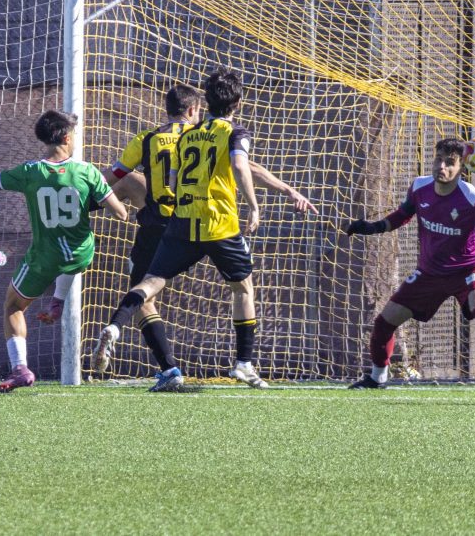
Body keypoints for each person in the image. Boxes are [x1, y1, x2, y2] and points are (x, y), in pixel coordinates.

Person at [94, 69, 312, 391]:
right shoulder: (231, 132)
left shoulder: (170, 138)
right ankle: (244, 364)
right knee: (243, 288)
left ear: (205, 102)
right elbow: (242, 166)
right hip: (219, 223)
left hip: (177, 223)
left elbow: (149, 178)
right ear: (236, 101)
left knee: (149, 285)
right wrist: (258, 204)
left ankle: (117, 327)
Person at [0, 110, 130, 393]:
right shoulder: (86, 171)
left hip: (44, 258)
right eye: (74, 134)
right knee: (72, 259)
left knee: (13, 305)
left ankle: (20, 369)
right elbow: (121, 213)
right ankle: (57, 300)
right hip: (81, 253)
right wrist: (91, 199)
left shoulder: (29, 172)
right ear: (66, 137)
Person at [340, 137, 475, 390]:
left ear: (462, 167)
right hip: (429, 273)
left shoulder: (473, 199)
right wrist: (373, 227)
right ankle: (377, 377)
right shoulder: (419, 187)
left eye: (450, 163)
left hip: (468, 269)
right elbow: (402, 215)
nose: (442, 167)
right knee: (384, 322)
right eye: (438, 160)